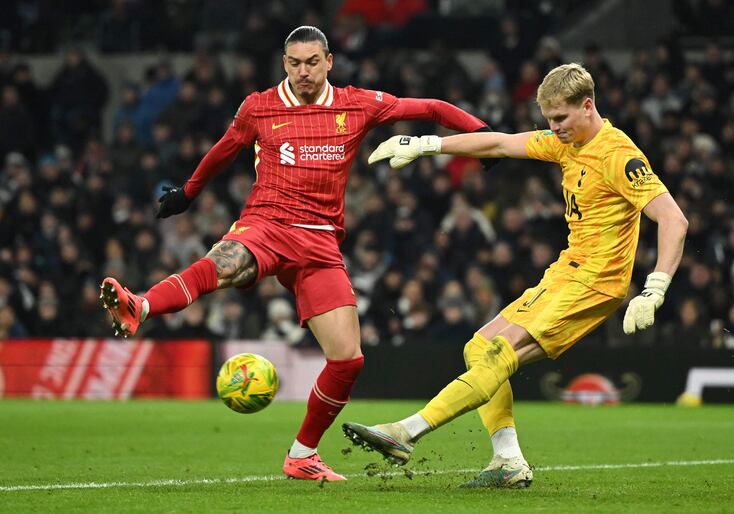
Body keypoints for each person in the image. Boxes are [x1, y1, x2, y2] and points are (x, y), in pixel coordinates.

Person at [100, 26, 493, 482]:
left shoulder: (357, 104)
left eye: (311, 62)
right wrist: (188, 192)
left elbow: (432, 107)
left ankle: (302, 455)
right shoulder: (259, 106)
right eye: (294, 63)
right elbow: (226, 149)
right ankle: (140, 305)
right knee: (225, 263)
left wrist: (480, 135)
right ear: (283, 63)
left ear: (329, 61)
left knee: (348, 359)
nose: (303, 71)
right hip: (266, 222)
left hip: (321, 243)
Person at [342, 63, 688, 488]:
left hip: (596, 281)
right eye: (549, 120)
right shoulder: (568, 144)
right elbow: (502, 143)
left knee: (501, 350)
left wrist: (655, 289)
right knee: (481, 344)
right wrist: (428, 144)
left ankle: (406, 432)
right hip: (566, 271)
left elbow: (673, 219)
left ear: (587, 106)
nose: (554, 127)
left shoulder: (619, 155)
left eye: (560, 118)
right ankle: (508, 461)